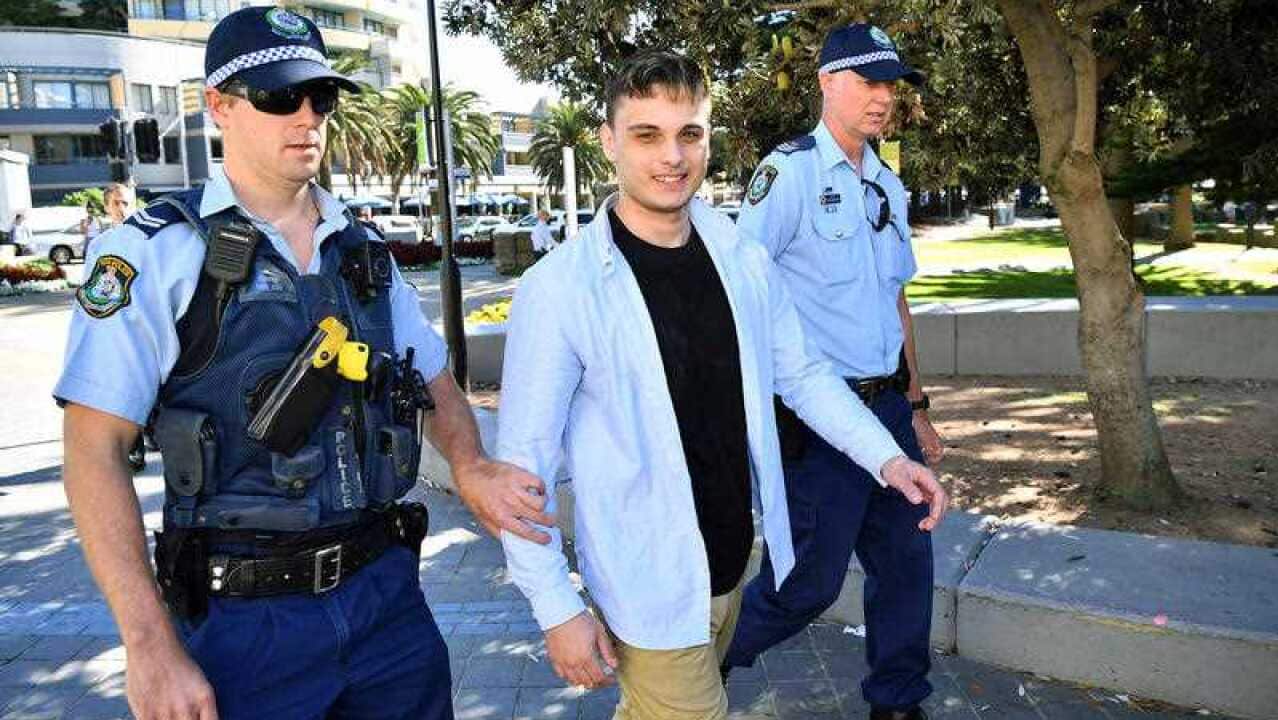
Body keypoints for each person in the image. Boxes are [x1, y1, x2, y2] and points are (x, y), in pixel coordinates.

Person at [55, 7, 553, 720]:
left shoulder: (364, 250)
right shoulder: (154, 253)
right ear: (219, 106)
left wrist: (470, 464)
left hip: (387, 606)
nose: (307, 117)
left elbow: (433, 375)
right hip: (244, 630)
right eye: (279, 96)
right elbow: (92, 449)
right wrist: (149, 645)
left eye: (320, 97)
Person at [497, 50, 946, 720]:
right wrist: (557, 608)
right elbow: (522, 470)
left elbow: (802, 374)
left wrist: (886, 456)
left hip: (731, 570)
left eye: (689, 134)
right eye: (647, 135)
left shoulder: (740, 257)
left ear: (709, 139)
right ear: (609, 141)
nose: (671, 157)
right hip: (649, 587)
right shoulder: (561, 288)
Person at [721, 24, 946, 720]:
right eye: (867, 81)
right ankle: (701, 666)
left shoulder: (886, 182)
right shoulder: (786, 174)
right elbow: (738, 291)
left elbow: (895, 299)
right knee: (806, 585)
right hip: (816, 422)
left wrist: (916, 405)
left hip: (885, 413)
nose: (883, 98)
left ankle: (898, 703)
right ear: (826, 82)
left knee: (908, 566)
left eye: (890, 85)